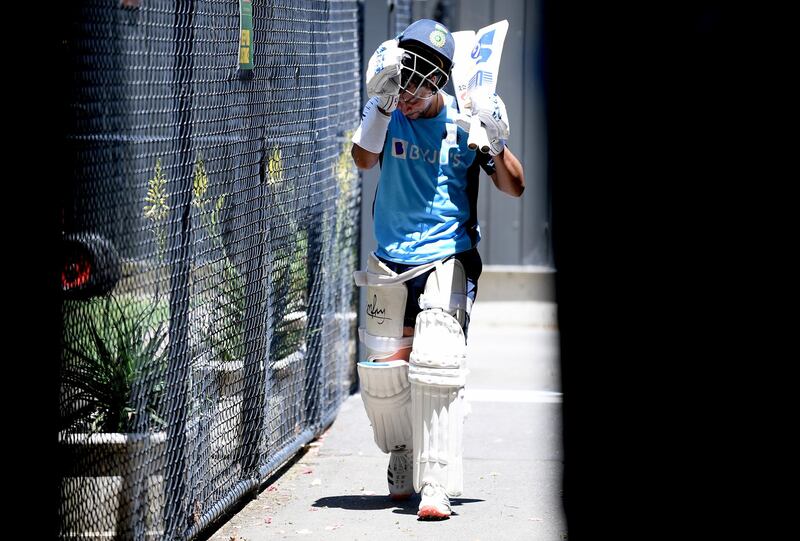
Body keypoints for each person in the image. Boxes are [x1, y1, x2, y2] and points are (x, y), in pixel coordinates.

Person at [350, 19, 524, 520]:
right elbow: (363, 160)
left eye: (420, 86)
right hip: (390, 258)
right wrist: (381, 107)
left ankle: (437, 482)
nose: (408, 96)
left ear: (440, 80)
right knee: (385, 378)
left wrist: (492, 142)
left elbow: (516, 186)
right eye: (404, 82)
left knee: (438, 363)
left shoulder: (465, 122)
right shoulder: (385, 109)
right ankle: (403, 454)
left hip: (447, 253)